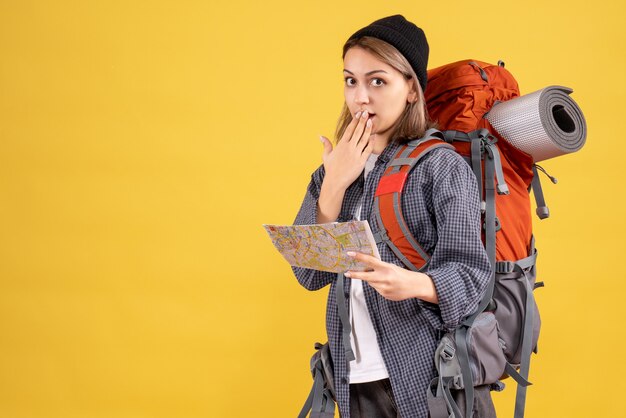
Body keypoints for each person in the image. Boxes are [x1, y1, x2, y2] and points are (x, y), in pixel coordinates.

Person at [291, 15, 494, 418]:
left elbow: (472, 275)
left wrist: (412, 282)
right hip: (354, 381)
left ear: (412, 91)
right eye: (351, 80)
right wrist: (333, 185)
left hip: (430, 377)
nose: (360, 97)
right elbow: (309, 274)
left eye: (377, 81)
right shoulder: (332, 171)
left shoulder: (440, 167)